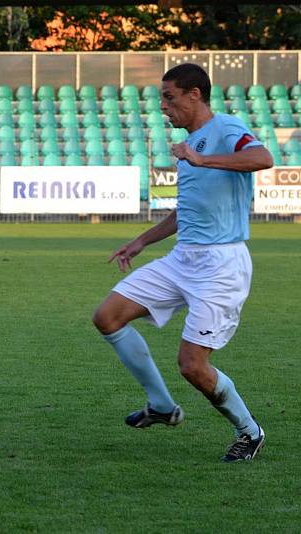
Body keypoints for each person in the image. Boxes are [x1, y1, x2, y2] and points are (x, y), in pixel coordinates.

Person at [92, 63, 274, 462]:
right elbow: (185, 211)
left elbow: (263, 158)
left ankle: (250, 431)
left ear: (195, 95)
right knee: (107, 316)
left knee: (192, 366)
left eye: (169, 97)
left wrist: (202, 159)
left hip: (221, 265)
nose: (163, 107)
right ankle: (160, 405)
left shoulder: (225, 128)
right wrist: (140, 241)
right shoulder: (191, 144)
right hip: (183, 259)